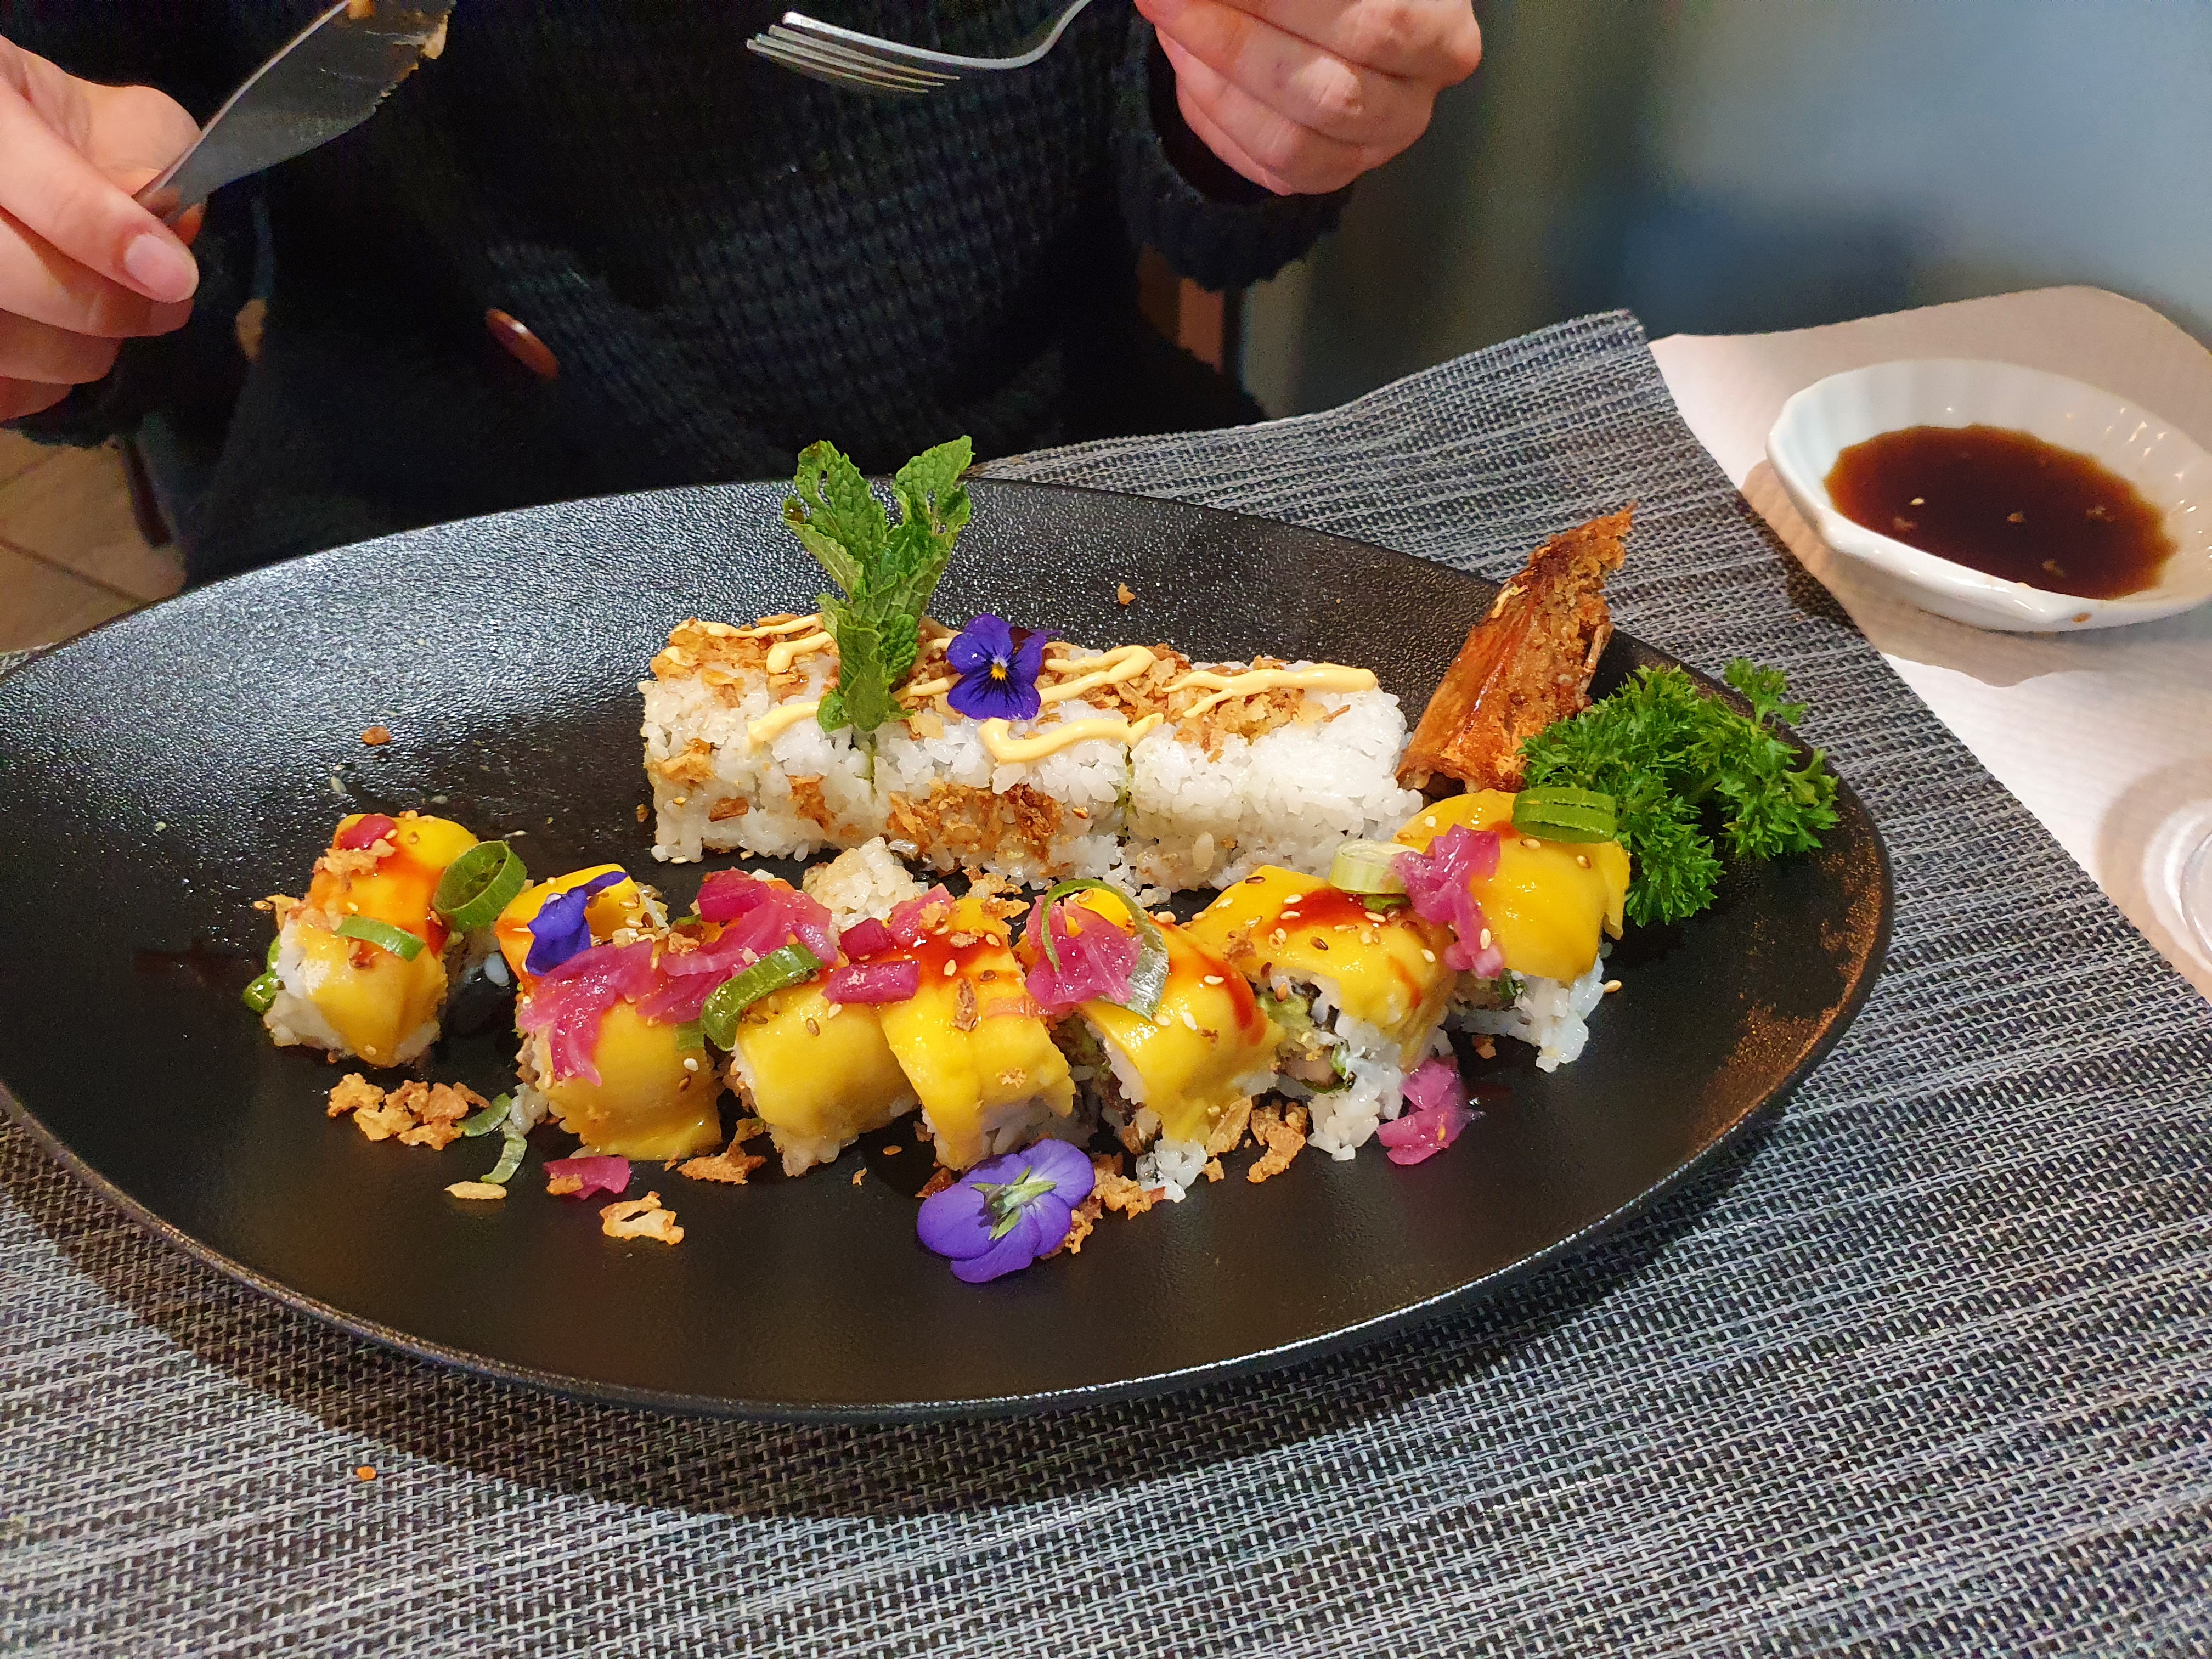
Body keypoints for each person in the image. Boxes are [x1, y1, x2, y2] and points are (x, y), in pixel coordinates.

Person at [0, 3, 1481, 579]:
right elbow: (120, 135)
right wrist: (70, 268)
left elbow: (1216, 221)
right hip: (420, 536)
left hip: (1022, 484)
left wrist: (1277, 94)